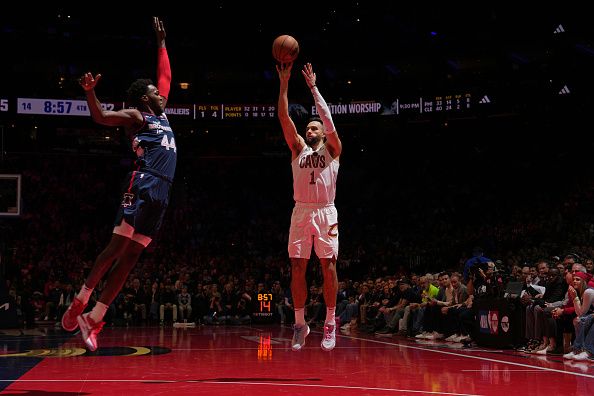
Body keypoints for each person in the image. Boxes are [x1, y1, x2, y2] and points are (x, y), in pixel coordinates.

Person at [61, 17, 176, 351]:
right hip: (142, 184)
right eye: (154, 92)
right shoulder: (137, 116)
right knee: (115, 249)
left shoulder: (162, 114)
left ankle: (94, 317)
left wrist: (162, 44)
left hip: (163, 192)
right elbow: (100, 117)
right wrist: (90, 93)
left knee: (131, 258)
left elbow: (166, 76)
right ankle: (80, 300)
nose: (160, 93)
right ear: (143, 98)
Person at [276, 61, 343, 351]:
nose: (310, 130)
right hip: (301, 211)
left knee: (328, 266)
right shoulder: (297, 149)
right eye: (308, 128)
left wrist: (314, 88)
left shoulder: (332, 149)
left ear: (323, 132)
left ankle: (329, 322)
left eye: (314, 127)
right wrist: (284, 82)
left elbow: (328, 120)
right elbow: (282, 116)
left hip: (326, 211)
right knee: (297, 267)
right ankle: (300, 323)